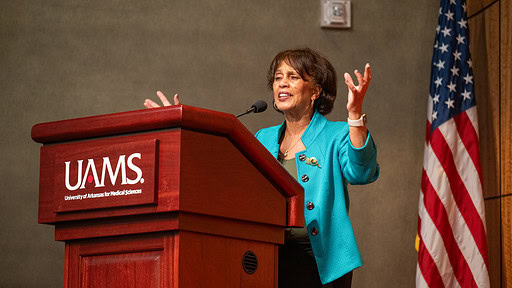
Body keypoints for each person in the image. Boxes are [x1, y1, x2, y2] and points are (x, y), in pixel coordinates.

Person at [144, 48, 379, 288]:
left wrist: (355, 115)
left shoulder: (337, 134)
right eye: (278, 78)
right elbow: (227, 181)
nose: (282, 84)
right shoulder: (263, 139)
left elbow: (361, 173)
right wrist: (180, 130)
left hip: (320, 260)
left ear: (316, 91)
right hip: (267, 255)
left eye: (293, 77)